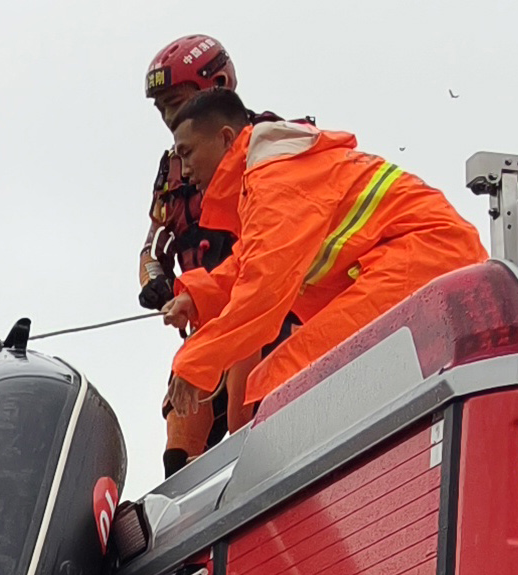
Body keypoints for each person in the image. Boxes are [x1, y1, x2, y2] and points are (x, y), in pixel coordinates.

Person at [159, 87, 488, 422]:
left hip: (427, 261)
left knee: (283, 383)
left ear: (226, 138)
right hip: (424, 260)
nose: (184, 171)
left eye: (187, 153)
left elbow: (264, 289)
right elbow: (252, 261)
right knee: (278, 383)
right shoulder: (274, 175)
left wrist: (196, 362)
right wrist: (199, 298)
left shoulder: (275, 180)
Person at [138, 33, 243, 473]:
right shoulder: (172, 170)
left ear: (217, 84)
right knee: (179, 452)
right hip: (200, 321)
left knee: (251, 429)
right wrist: (153, 280)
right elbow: (154, 241)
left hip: (257, 313)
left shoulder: (258, 144)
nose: (168, 115)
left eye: (176, 100)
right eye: (161, 106)